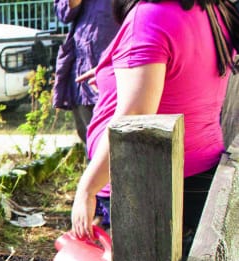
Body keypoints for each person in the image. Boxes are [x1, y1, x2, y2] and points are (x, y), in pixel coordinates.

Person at [69, 0, 238, 240]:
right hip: (194, 177)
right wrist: (112, 71)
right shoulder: (212, 9)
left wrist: (86, 190)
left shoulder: (150, 16)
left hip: (149, 189)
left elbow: (135, 121)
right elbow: (185, 72)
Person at [51, 0, 119, 144]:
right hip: (85, 72)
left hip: (123, 70)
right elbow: (63, 13)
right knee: (92, 144)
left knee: (122, 144)